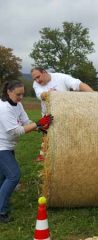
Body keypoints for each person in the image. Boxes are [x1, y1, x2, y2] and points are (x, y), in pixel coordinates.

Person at [0, 80, 53, 223]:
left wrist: (39, 127)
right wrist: (38, 123)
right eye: (18, 94)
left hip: (7, 146)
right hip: (1, 147)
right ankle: (1, 211)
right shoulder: (4, 108)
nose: (21, 97)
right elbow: (15, 131)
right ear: (9, 92)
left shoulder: (17, 105)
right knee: (13, 176)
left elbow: (25, 121)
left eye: (22, 94)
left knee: (3, 178)